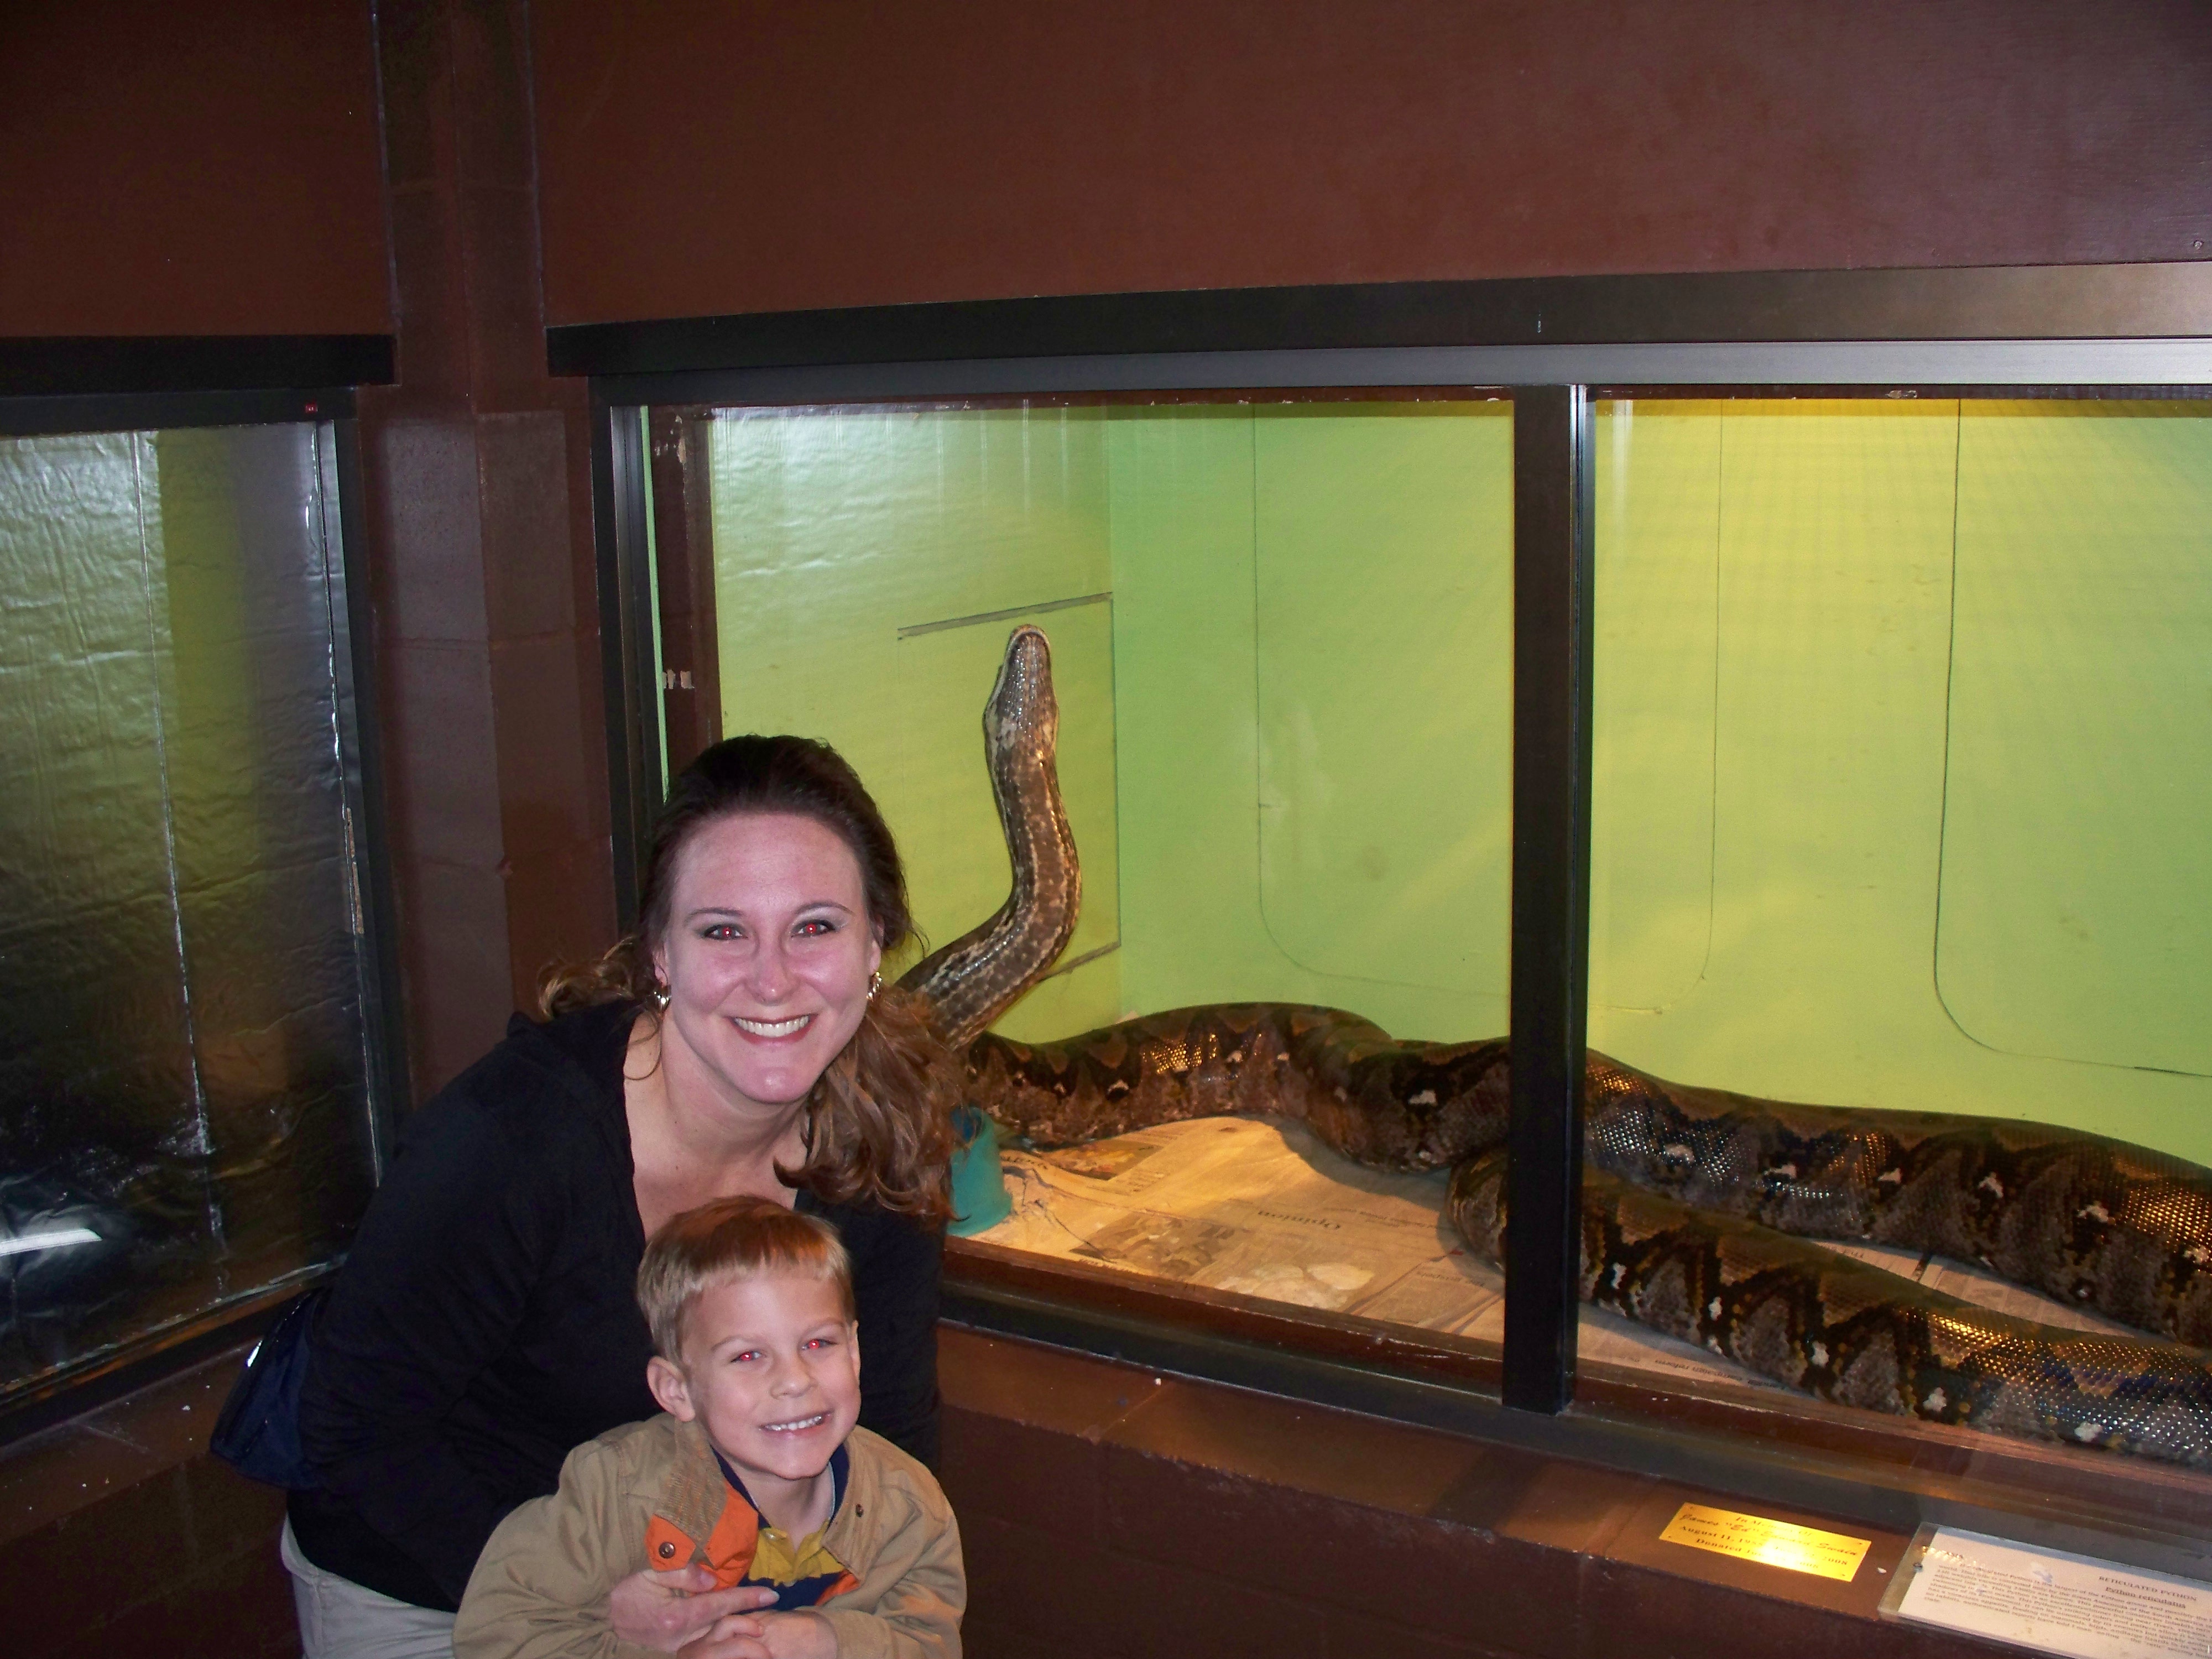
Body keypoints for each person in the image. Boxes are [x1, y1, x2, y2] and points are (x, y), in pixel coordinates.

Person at [284, 737, 961, 1658]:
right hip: (438, 1576)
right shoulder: (512, 1141)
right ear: (660, 956)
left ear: (874, 944)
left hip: (699, 1574)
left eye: (815, 927)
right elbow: (357, 1431)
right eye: (723, 931)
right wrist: (585, 1607)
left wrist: (820, 1622)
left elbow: (889, 1444)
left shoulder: (883, 1141)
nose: (772, 979)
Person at [453, 1196, 964, 1659]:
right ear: (676, 1390)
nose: (795, 1380)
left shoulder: (910, 1507)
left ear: (854, 1351)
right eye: (748, 1356)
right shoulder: (612, 1495)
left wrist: (830, 1641)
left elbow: (932, 1642)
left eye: (818, 1344)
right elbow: (501, 1634)